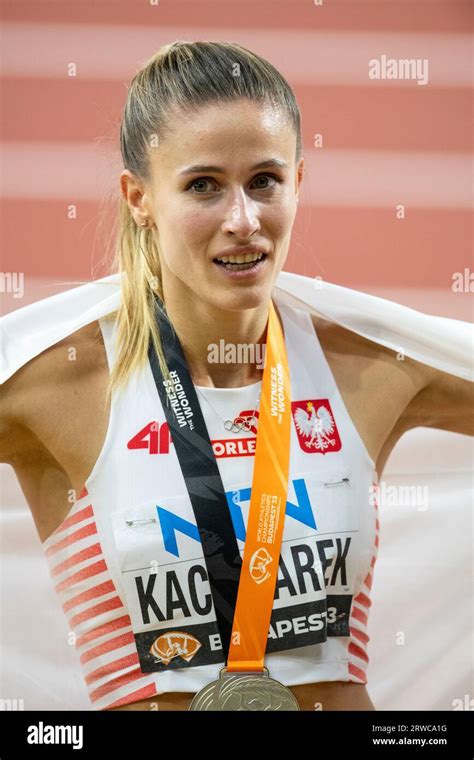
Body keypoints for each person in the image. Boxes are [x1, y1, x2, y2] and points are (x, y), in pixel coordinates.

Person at [0, 40, 472, 713]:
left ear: (299, 183)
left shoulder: (370, 367)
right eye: (202, 186)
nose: (243, 222)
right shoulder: (56, 387)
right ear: (139, 198)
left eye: (264, 181)